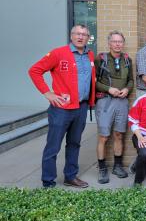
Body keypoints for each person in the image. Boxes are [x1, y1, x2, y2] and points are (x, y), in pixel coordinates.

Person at [28, 24, 95, 188]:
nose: (81, 37)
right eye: (77, 34)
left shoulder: (90, 55)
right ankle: (48, 181)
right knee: (53, 146)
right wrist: (47, 93)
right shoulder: (58, 53)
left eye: (84, 35)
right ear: (71, 36)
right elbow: (34, 70)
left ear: (88, 38)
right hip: (61, 109)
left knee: (74, 143)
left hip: (81, 108)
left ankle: (70, 176)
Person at [94, 31, 134, 184]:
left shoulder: (127, 60)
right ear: (109, 43)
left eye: (120, 42)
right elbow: (94, 82)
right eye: (114, 41)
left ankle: (118, 166)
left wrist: (127, 90)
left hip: (122, 102)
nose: (117, 44)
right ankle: (102, 168)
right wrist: (108, 89)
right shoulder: (101, 59)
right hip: (105, 101)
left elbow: (131, 80)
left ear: (123, 43)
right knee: (104, 136)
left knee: (119, 134)